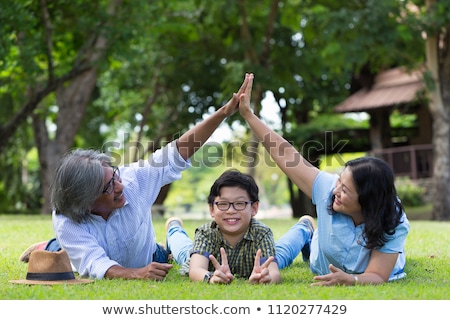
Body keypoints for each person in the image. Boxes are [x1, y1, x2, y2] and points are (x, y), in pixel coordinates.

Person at [18, 73, 253, 281]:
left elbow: (177, 151)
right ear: (86, 201)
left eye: (115, 176)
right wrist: (137, 274)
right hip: (85, 249)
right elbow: (95, 263)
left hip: (147, 252)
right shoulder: (67, 220)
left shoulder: (133, 180)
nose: (120, 186)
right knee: (62, 252)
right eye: (109, 186)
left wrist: (223, 113)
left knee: (165, 254)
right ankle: (49, 247)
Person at [238, 73, 410, 286]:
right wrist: (249, 115)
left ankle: (308, 229)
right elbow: (286, 155)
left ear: (367, 201)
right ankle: (306, 228)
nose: (336, 190)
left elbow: (376, 276)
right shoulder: (328, 188)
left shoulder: (392, 218)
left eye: (345, 190)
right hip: (321, 255)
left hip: (363, 265)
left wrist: (351, 280)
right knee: (276, 258)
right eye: (339, 181)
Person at [165, 169, 281, 284]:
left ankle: (300, 227)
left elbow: (274, 272)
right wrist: (211, 278)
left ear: (254, 208)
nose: (231, 210)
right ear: (212, 209)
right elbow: (195, 270)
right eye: (223, 204)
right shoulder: (206, 233)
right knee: (183, 251)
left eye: (240, 203)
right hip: (196, 257)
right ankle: (174, 226)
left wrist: (266, 279)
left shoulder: (262, 233)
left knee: (283, 254)